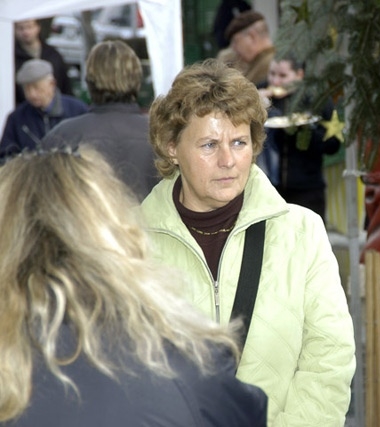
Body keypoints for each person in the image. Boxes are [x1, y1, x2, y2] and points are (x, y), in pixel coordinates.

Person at [139, 58, 356, 426]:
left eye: (239, 142)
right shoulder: (129, 242)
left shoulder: (302, 232)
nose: (228, 160)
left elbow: (329, 358)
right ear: (172, 147)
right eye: (209, 144)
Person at [0, 145, 267, 426]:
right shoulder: (186, 363)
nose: (227, 159)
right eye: (209, 144)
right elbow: (244, 411)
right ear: (113, 228)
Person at [43, 40, 159, 201]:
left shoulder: (61, 137)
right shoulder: (161, 136)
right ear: (137, 78)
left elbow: (44, 203)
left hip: (85, 217)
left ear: (89, 80)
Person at [260, 53, 341, 222]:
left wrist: (302, 128)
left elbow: (333, 145)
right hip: (268, 191)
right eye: (272, 74)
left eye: (283, 76)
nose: (275, 81)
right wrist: (256, 104)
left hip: (307, 190)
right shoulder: (260, 93)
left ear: (299, 75)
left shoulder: (317, 99)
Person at [0, 59, 88, 162]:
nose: (32, 94)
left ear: (52, 84)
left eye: (37, 88)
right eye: (26, 89)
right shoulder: (16, 118)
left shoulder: (77, 110)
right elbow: (5, 156)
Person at [14, 19, 73, 105]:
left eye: (29, 27)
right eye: (21, 28)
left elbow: (65, 84)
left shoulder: (53, 55)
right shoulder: (10, 58)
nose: (26, 32)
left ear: (38, 27)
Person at [224, 10, 275, 85]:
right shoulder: (260, 62)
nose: (233, 48)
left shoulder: (269, 66)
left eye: (236, 41)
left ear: (252, 37)